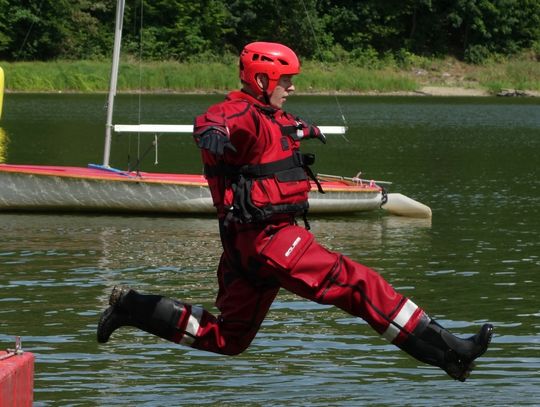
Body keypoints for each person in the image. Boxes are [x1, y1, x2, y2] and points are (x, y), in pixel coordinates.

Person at [97, 41, 493, 381]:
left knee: (229, 339)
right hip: (271, 241)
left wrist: (307, 129)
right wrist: (212, 132)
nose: (291, 86)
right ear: (261, 80)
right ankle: (449, 348)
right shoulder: (240, 114)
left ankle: (134, 308)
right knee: (359, 285)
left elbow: (281, 127)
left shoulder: (268, 115)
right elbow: (217, 118)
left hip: (244, 251)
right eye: (285, 79)